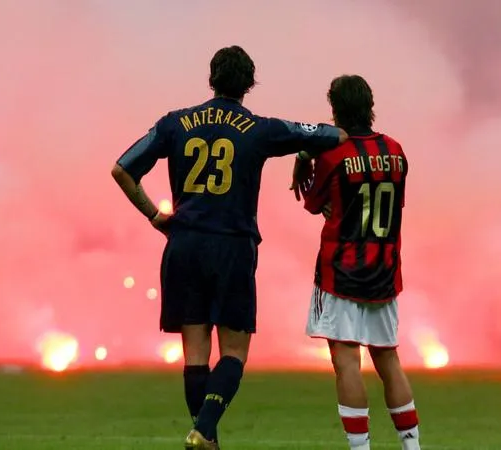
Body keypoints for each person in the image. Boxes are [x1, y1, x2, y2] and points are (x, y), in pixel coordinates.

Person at [110, 45, 348, 450]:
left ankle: (206, 438)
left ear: (211, 78)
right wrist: (303, 153)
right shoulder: (260, 128)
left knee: (196, 356)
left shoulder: (176, 123)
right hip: (233, 248)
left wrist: (155, 215)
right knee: (234, 352)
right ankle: (204, 432)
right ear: (249, 84)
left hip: (184, 245)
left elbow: (122, 169)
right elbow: (333, 135)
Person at [300, 75, 420, 450]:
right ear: (370, 105)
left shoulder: (332, 154)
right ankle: (412, 447)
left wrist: (306, 156)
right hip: (384, 270)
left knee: (346, 361)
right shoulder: (396, 150)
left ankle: (360, 449)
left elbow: (315, 203)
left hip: (341, 271)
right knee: (388, 358)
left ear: (334, 108)